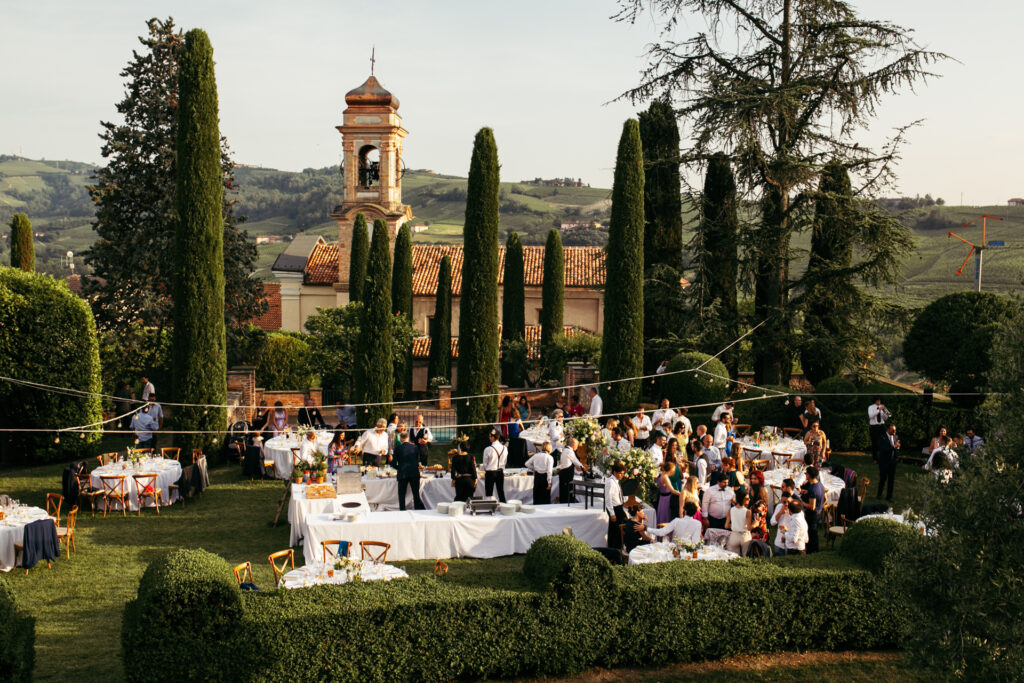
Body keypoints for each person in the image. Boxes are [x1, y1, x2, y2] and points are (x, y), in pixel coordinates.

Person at [393, 429, 424, 510]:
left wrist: (398, 468)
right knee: (416, 494)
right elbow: (417, 461)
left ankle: (402, 511)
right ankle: (417, 510)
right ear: (408, 438)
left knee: (402, 495)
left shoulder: (398, 448)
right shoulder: (415, 448)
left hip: (403, 473)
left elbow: (393, 463)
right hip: (414, 472)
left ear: (400, 439)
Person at [800, 466, 825, 553]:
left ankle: (812, 550)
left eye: (806, 473)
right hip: (819, 512)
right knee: (814, 532)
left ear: (809, 475)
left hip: (813, 514)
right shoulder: (820, 485)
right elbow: (825, 499)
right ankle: (814, 549)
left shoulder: (813, 489)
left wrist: (801, 503)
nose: (805, 474)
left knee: (811, 533)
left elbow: (812, 506)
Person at [556, 437, 586, 503]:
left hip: (565, 473)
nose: (577, 448)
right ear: (573, 445)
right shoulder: (569, 451)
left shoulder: (566, 450)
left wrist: (579, 473)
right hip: (566, 475)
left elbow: (570, 465)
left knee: (565, 492)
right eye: (577, 446)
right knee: (566, 492)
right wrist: (583, 468)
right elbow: (576, 461)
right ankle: (566, 504)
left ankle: (566, 502)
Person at [482, 430, 508, 502]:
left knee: (489, 493)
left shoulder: (488, 449)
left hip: (490, 472)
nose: (489, 438)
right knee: (500, 492)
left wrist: (487, 469)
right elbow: (504, 461)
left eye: (490, 436)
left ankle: (489, 506)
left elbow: (485, 464)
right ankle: (503, 506)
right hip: (500, 472)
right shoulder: (505, 448)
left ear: (493, 437)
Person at [604, 463, 626, 546]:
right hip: (614, 508)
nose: (621, 475)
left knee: (618, 531)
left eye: (622, 474)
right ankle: (613, 550)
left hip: (619, 507)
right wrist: (612, 513)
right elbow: (608, 498)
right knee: (614, 532)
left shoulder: (616, 481)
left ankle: (618, 548)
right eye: (619, 473)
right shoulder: (610, 482)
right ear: (614, 472)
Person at [877, 423, 900, 502]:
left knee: (891, 480)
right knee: (883, 479)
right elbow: (883, 450)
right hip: (884, 462)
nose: (895, 432)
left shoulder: (896, 437)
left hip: (893, 462)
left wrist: (897, 452)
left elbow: (896, 448)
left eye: (895, 430)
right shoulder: (882, 438)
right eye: (893, 430)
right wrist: (894, 447)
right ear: (888, 430)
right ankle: (879, 495)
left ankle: (889, 496)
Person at [725, 489, 753, 556]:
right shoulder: (748, 511)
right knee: (746, 557)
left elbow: (726, 526)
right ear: (742, 499)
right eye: (747, 499)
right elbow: (749, 527)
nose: (749, 500)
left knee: (733, 557)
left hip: (734, 535)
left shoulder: (731, 510)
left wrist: (734, 525)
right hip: (745, 536)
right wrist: (756, 523)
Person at [867, 397, 889, 462]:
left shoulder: (882, 406)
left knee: (884, 442)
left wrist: (884, 412)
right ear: (875, 400)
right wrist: (879, 410)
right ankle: (875, 459)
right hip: (874, 427)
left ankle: (883, 457)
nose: (879, 401)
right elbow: (871, 416)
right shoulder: (871, 407)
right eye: (878, 400)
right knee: (874, 443)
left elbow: (885, 418)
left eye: (880, 400)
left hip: (882, 426)